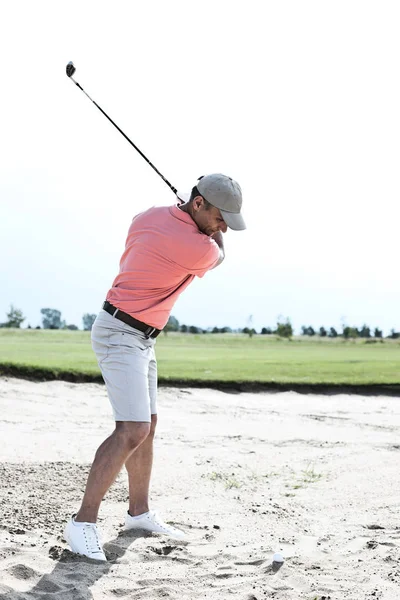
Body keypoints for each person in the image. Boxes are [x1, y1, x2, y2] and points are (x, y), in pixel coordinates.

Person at [64, 173, 246, 561]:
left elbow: (169, 224)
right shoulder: (198, 247)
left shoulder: (146, 216)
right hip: (122, 334)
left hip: (140, 335)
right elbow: (219, 253)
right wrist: (208, 231)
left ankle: (139, 513)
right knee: (133, 429)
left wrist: (188, 214)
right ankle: (83, 523)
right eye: (220, 217)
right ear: (198, 203)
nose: (224, 226)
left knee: (147, 426)